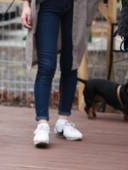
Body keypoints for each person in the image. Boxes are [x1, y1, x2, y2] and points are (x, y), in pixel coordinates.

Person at [20, 0, 99, 147]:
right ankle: (42, 124)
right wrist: (26, 4)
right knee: (47, 66)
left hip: (77, 7)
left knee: (71, 64)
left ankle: (63, 122)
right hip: (48, 5)